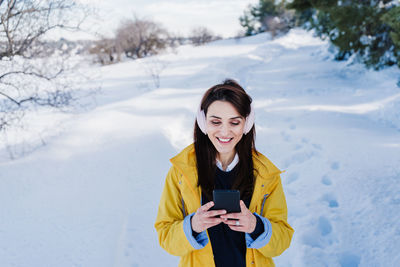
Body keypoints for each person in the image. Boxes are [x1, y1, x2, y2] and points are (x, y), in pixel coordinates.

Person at [154, 79, 294, 266]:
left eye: (234, 122)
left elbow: (282, 240)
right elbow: (165, 237)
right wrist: (193, 225)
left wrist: (255, 226)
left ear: (246, 124)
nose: (225, 131)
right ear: (203, 123)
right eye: (215, 122)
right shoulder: (180, 172)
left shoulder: (266, 175)